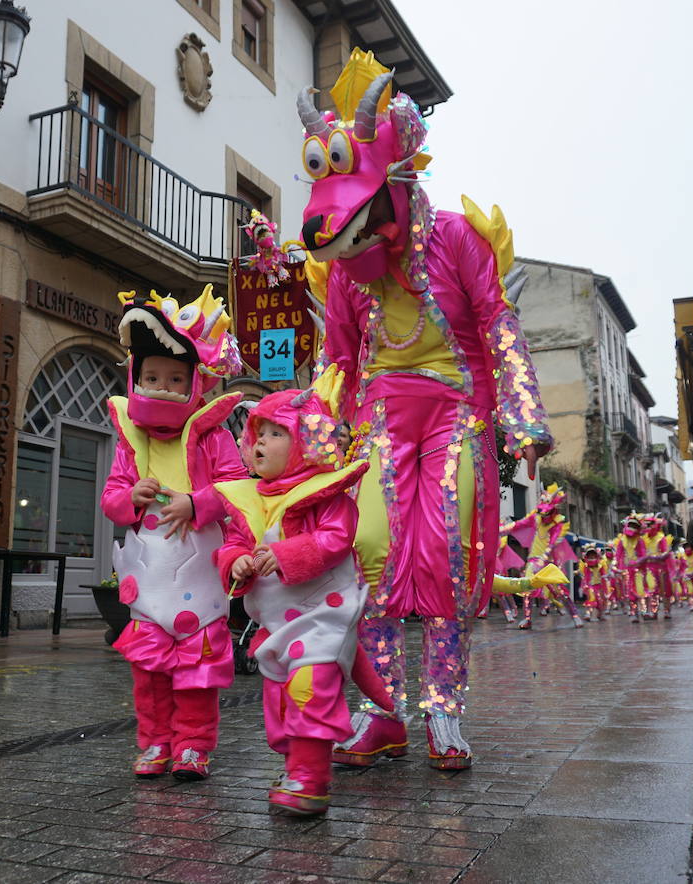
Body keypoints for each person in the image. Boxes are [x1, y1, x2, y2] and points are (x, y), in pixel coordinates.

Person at [296, 53, 552, 770]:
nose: (352, 246)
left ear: (401, 189)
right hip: (381, 418)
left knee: (442, 555)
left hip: (456, 415)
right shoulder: (347, 272)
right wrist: (316, 432)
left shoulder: (458, 241)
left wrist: (523, 418)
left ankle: (443, 711)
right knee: (372, 553)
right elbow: (337, 359)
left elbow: (499, 323)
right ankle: (383, 713)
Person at [100, 286, 247, 781]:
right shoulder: (130, 442)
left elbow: (237, 490)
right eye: (152, 377)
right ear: (135, 378)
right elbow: (112, 501)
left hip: (200, 575)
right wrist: (130, 497)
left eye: (175, 378)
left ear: (195, 382)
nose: (162, 386)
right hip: (150, 575)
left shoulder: (214, 436)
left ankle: (193, 745)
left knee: (196, 673)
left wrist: (197, 502)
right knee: (149, 673)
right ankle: (155, 743)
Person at [213, 366, 368, 815]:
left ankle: (310, 777)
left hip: (322, 617)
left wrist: (283, 554)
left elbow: (335, 540)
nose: (259, 442)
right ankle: (294, 762)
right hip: (276, 624)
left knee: (309, 690)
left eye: (275, 432)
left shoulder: (327, 496)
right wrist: (235, 562)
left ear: (306, 443)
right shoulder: (251, 498)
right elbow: (233, 543)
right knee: (280, 701)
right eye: (256, 433)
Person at [504, 485, 582, 630]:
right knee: (527, 588)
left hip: (548, 563)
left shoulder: (557, 523)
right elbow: (520, 524)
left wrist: (544, 557)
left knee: (559, 592)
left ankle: (575, 615)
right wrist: (503, 529)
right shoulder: (536, 517)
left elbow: (553, 542)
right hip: (533, 560)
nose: (544, 516)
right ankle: (527, 619)